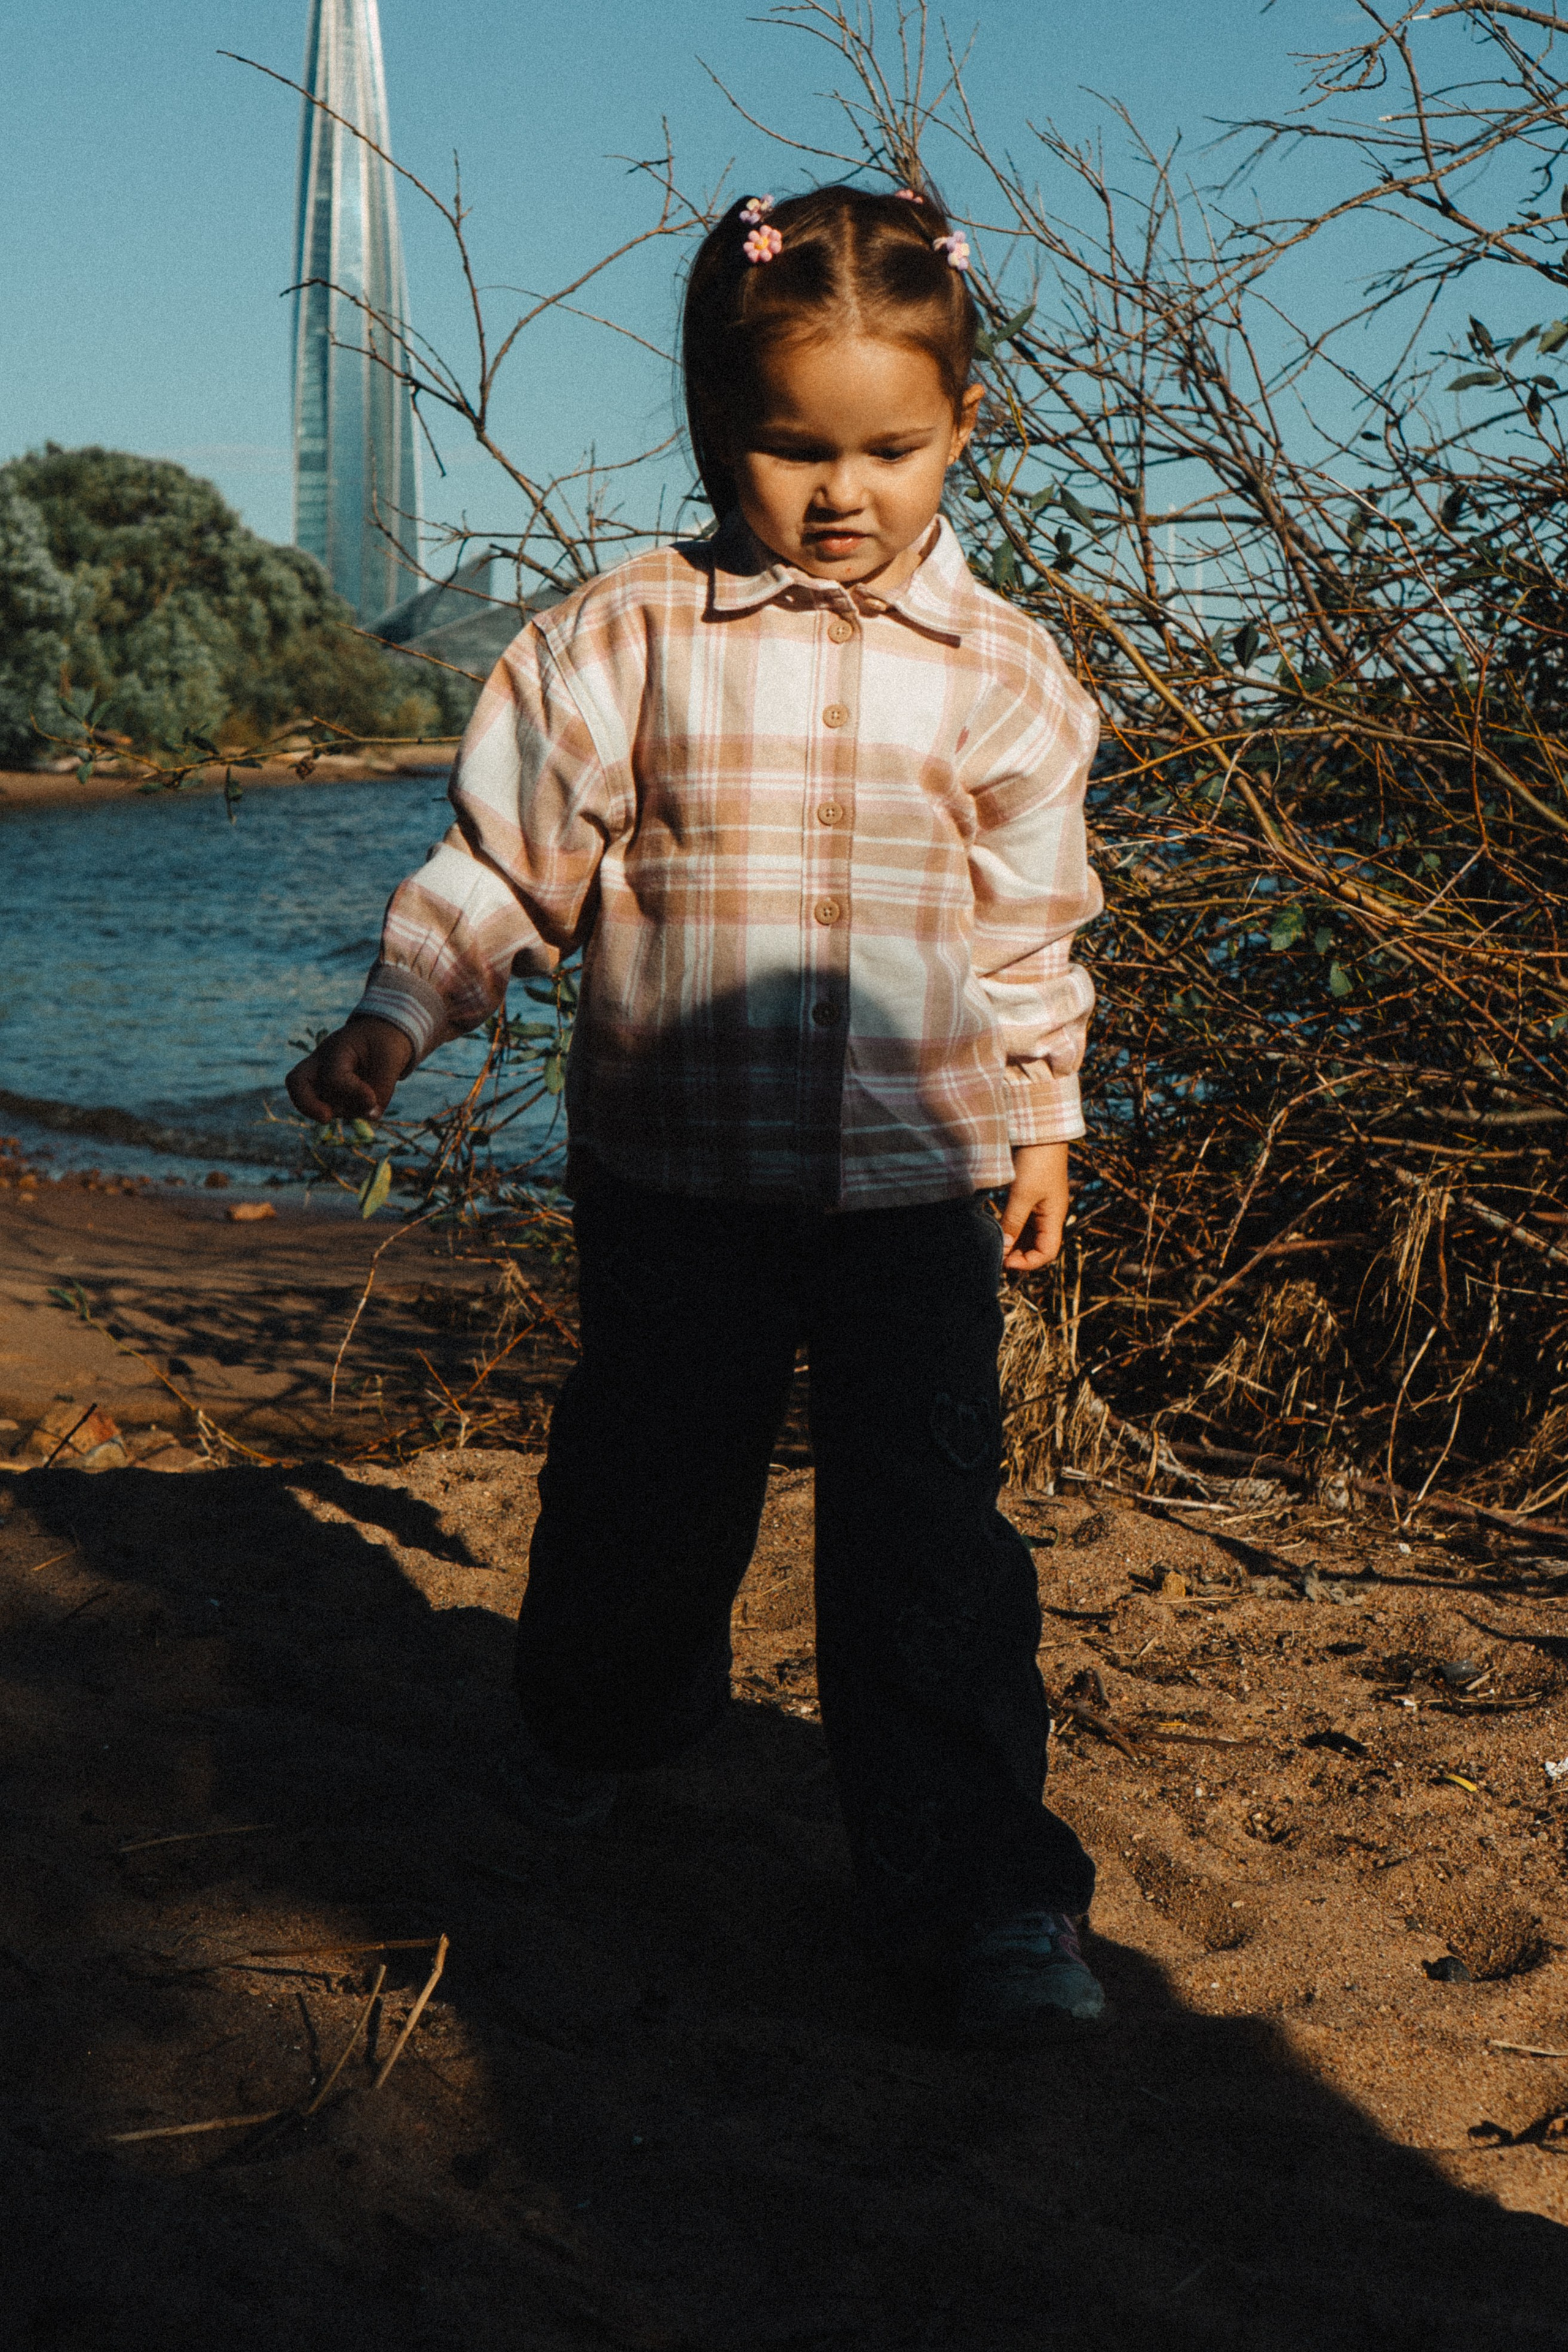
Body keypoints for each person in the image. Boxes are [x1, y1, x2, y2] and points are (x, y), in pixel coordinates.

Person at [288, 183, 1106, 2036]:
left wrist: (1046, 1123)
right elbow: (506, 863)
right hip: (674, 1177)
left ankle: (980, 1892)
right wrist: (400, 1012)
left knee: (931, 1542)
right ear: (712, 423)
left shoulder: (1011, 681)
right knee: (651, 1493)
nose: (843, 492)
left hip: (917, 1188)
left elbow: (1033, 930)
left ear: (963, 428)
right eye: (790, 444)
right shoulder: (621, 640)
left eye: (891, 447)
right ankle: (604, 1730)